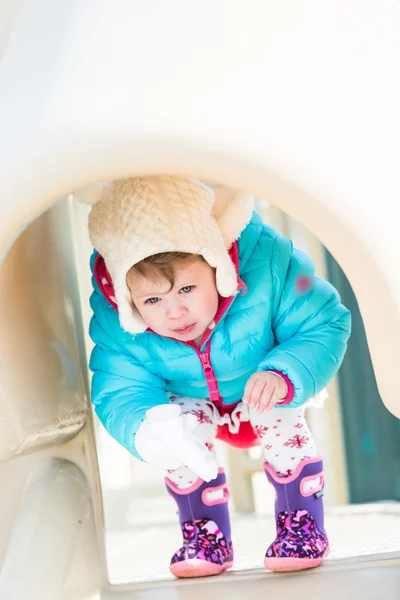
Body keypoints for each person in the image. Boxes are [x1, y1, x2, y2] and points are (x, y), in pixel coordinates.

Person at [83, 175, 351, 578]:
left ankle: (301, 523)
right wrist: (147, 430)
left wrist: (285, 372)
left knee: (274, 411)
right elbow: (120, 384)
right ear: (127, 299)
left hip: (260, 384)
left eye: (187, 289)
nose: (174, 313)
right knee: (172, 429)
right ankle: (204, 535)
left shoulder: (269, 268)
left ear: (219, 267)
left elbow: (322, 321)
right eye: (153, 300)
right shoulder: (119, 323)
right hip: (191, 398)